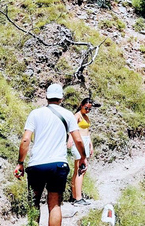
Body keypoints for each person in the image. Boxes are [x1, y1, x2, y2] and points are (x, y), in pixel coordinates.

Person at [15, 83, 87, 226]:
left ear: (46, 97)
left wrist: (20, 163)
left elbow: (25, 139)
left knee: (34, 203)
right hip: (58, 165)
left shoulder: (35, 113)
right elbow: (78, 139)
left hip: (36, 165)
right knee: (54, 205)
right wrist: (83, 157)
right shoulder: (68, 115)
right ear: (61, 98)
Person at [69, 97, 99, 205]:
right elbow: (71, 129)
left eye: (89, 109)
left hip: (85, 141)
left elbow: (87, 131)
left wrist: (90, 145)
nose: (87, 110)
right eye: (86, 108)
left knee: (78, 169)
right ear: (81, 105)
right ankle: (78, 198)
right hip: (79, 142)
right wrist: (70, 140)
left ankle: (74, 195)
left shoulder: (85, 116)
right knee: (81, 170)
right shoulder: (77, 116)